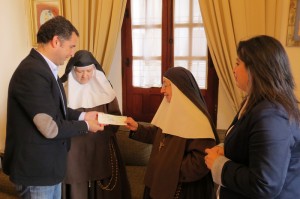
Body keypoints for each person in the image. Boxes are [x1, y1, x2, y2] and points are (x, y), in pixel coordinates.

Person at [3, 16, 104, 199]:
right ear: (56, 41)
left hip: (47, 168)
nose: (72, 53)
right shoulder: (32, 72)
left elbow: (57, 110)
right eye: (71, 46)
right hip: (36, 171)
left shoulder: (45, 68)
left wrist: (84, 116)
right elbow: (50, 127)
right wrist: (87, 126)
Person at [204, 35, 300, 198]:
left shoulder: (272, 115)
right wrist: (226, 149)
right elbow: (253, 147)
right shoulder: (257, 103)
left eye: (237, 63)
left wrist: (218, 165)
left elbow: (265, 183)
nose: (233, 70)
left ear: (256, 69)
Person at [125, 67, 220, 199]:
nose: (161, 90)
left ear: (179, 88)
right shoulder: (172, 110)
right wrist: (137, 128)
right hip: (161, 180)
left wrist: (170, 168)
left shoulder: (198, 120)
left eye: (165, 84)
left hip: (183, 189)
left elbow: (200, 161)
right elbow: (159, 135)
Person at [60, 50, 131, 199]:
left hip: (101, 145)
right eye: (80, 71)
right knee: (77, 183)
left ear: (94, 69)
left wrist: (113, 122)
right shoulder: (63, 89)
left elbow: (115, 116)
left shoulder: (105, 88)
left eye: (89, 71)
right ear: (73, 70)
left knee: (103, 184)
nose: (85, 75)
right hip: (74, 150)